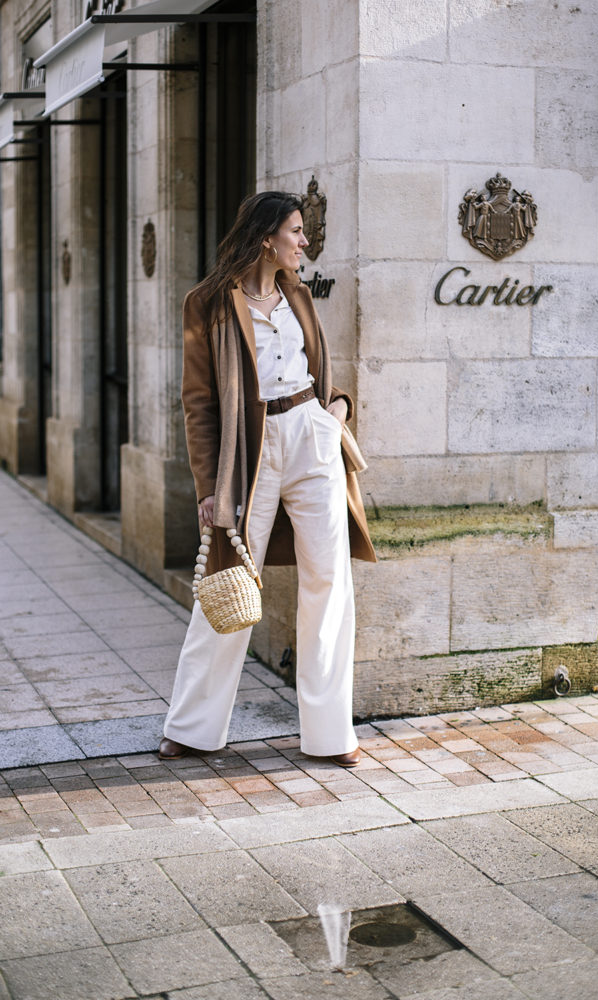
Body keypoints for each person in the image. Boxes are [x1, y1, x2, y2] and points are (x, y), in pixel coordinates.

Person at [159, 191, 376, 767]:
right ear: (266, 237)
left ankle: (332, 735)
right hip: (250, 450)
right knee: (231, 576)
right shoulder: (206, 304)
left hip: (310, 435)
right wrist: (209, 488)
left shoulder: (298, 294)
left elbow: (320, 371)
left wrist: (337, 413)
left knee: (329, 580)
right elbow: (198, 402)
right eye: (297, 231)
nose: (304, 242)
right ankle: (193, 727)